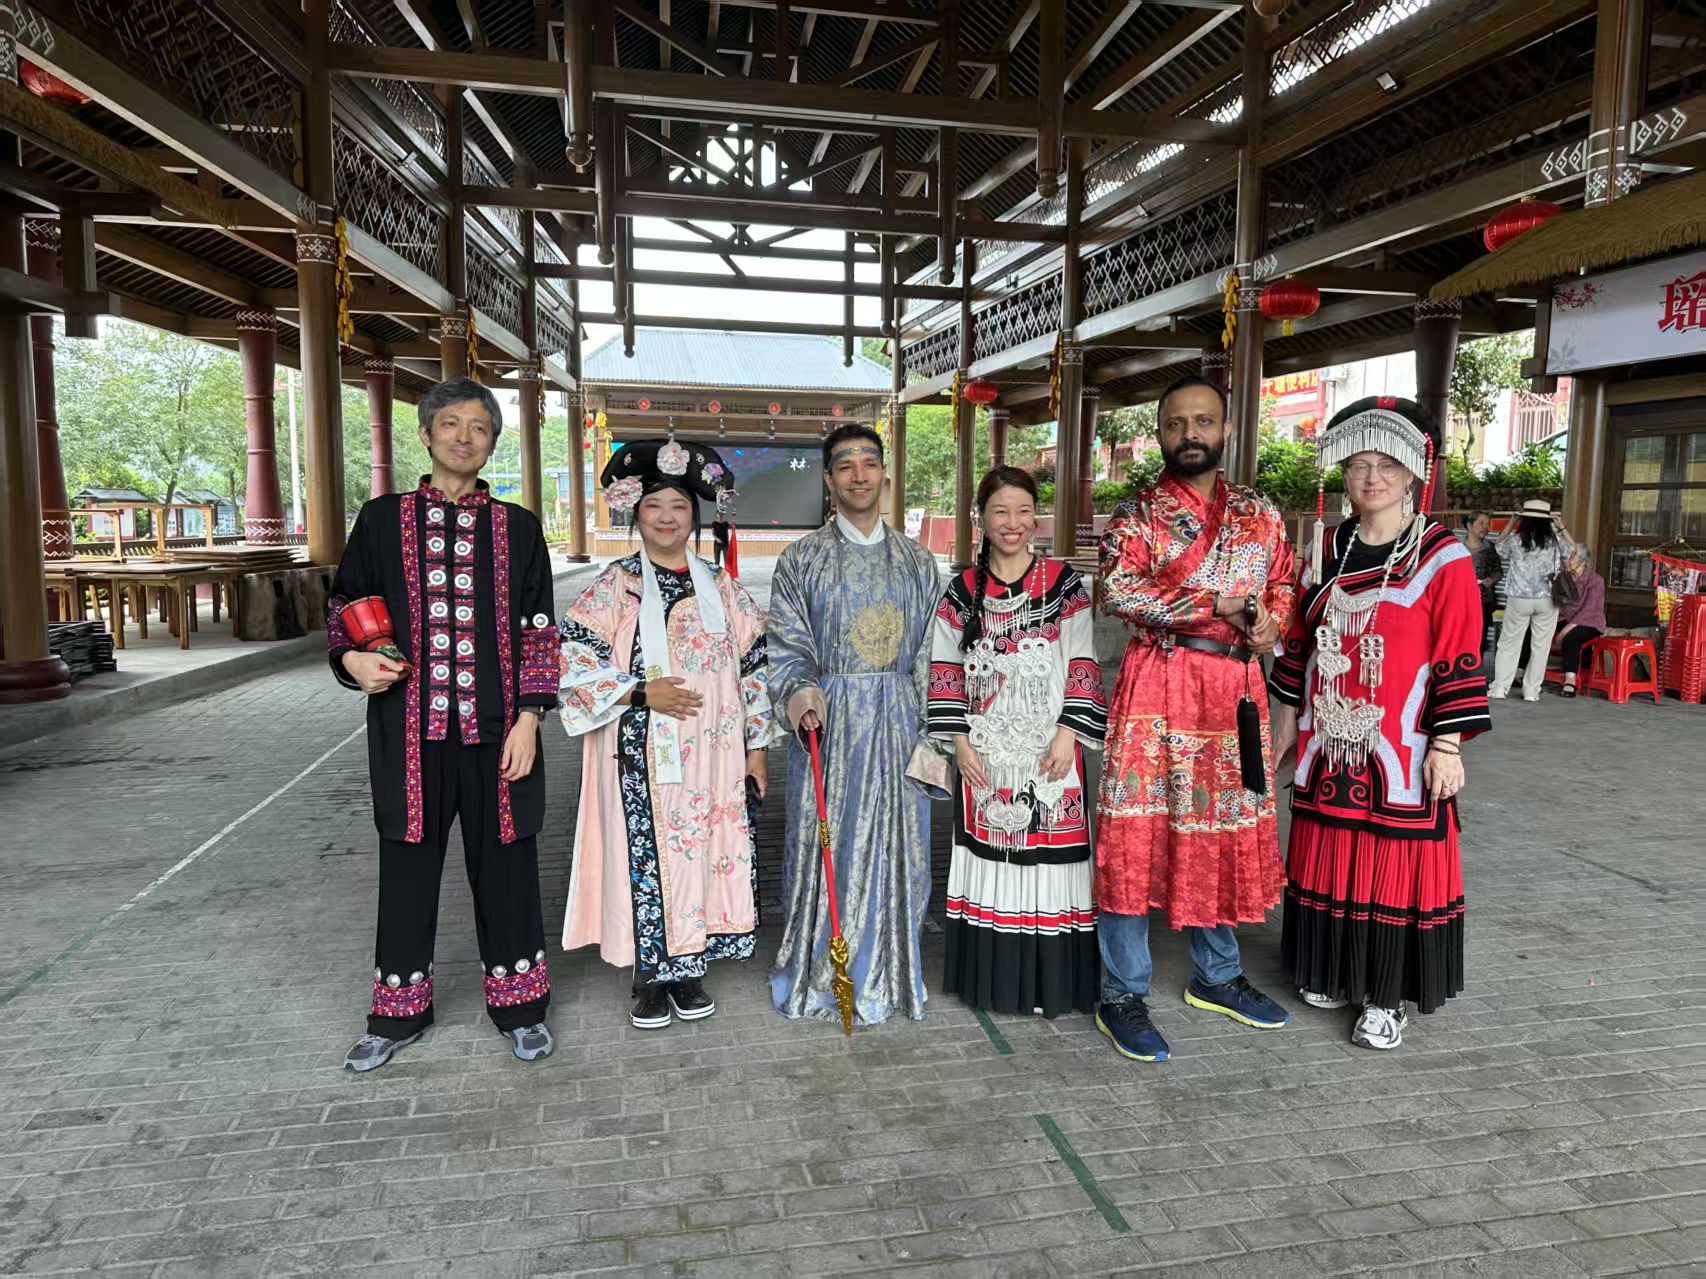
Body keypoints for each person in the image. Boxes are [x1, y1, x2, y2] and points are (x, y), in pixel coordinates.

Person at [328, 377, 558, 1072]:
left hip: (499, 734)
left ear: (493, 443)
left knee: (509, 868)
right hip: (409, 737)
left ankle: (521, 1008)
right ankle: (396, 1015)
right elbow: (345, 605)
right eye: (452, 424)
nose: (465, 437)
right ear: (426, 435)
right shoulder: (381, 519)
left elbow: (539, 630)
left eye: (480, 427)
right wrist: (353, 660)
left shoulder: (518, 528)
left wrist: (530, 718)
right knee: (406, 868)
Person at [1270, 397, 1490, 1050]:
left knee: (1391, 861)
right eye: (1359, 465)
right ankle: (1334, 973)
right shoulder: (1328, 548)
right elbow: (1297, 642)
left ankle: (1384, 996)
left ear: (1414, 472)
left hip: (1403, 745)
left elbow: (1458, 652)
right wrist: (1287, 722)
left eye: (1387, 464)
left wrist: (1448, 744)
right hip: (1328, 740)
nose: (1372, 478)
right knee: (1328, 852)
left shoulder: (1442, 555)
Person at [1093, 376, 1298, 1064]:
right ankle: (1123, 990)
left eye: (1203, 421)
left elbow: (1283, 583)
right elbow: (1118, 589)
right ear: (1160, 433)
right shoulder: (1137, 514)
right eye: (1177, 423)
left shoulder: (1259, 512)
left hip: (1235, 688)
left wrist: (1271, 622)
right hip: (1159, 681)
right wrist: (1218, 603)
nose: (1190, 434)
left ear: (1226, 429)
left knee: (1221, 825)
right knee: (1134, 828)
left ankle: (1217, 974)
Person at [557, 439, 769, 1029]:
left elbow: (755, 664)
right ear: (636, 513)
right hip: (643, 751)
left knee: (703, 850)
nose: (667, 517)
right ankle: (648, 976)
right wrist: (639, 692)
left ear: (694, 517)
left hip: (715, 755)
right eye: (654, 506)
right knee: (647, 856)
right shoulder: (616, 584)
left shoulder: (720, 585)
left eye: (679, 506)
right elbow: (571, 657)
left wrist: (757, 749)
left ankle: (689, 968)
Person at [767, 422, 942, 1025]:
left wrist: (933, 732)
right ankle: (824, 971)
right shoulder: (801, 560)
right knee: (829, 852)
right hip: (830, 727)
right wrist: (801, 695)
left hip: (900, 723)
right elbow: (788, 646)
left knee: (900, 852)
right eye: (846, 465)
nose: (859, 475)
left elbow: (932, 654)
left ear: (885, 473)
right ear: (828, 479)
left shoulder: (918, 562)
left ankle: (890, 972)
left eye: (870, 463)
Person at [926, 468, 1108, 1019]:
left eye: (1024, 511)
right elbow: (944, 670)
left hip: (1051, 749)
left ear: (1036, 517)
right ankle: (994, 984)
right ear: (981, 518)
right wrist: (959, 742)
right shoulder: (961, 590)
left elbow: (1082, 661)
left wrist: (1068, 733)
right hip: (985, 753)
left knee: (1052, 857)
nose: (1013, 523)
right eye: (1000, 511)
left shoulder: (1064, 584)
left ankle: (1050, 986)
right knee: (993, 856)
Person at [1489, 499, 1567, 701]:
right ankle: (1531, 690)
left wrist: (1511, 522)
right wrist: (1561, 527)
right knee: (1541, 646)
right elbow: (1572, 550)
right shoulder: (1555, 541)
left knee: (1509, 643)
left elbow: (1498, 547)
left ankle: (1500, 687)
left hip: (1519, 597)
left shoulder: (1516, 540)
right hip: (1547, 598)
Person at [1556, 542, 1606, 698]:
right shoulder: (1563, 578)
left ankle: (1570, 681)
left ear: (1583, 562)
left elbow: (1589, 609)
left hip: (1590, 622)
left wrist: (1566, 629)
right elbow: (1557, 602)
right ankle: (1521, 672)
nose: (1568, 559)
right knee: (1533, 628)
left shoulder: (1595, 580)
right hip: (1565, 618)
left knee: (1572, 637)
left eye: (1572, 555)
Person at [1462, 511, 1500, 655]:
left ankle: (1476, 661)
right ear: (1469, 525)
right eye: (1481, 523)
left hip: (1483, 599)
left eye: (1487, 524)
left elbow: (1498, 571)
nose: (1486, 527)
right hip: (1459, 598)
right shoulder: (1456, 546)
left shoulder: (1490, 548)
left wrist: (1492, 580)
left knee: (1480, 635)